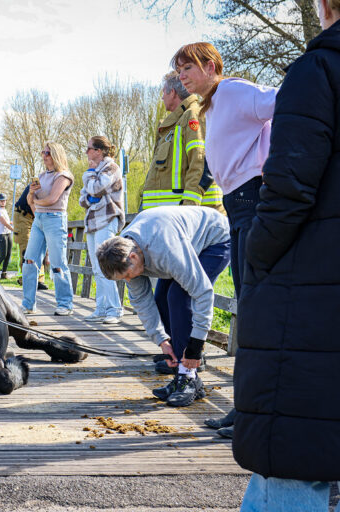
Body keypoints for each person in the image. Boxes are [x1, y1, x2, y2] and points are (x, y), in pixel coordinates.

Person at [234, 2, 340, 508]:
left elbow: (290, 184)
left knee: (294, 455)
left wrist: (257, 254)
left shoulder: (319, 68)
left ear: (323, 5)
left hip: (313, 284)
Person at [173, 41, 277, 437]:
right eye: (178, 69)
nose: (181, 75)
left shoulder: (234, 90)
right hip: (236, 206)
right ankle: (245, 406)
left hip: (254, 201)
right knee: (245, 309)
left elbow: (288, 104)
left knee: (254, 310)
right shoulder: (209, 106)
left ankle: (255, 411)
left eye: (188, 67)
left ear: (212, 65)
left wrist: (274, 160)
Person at [96, 206, 230, 407]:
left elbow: (203, 293)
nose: (129, 280)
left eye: (127, 275)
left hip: (215, 239)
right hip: (178, 241)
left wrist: (195, 345)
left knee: (178, 296)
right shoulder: (125, 254)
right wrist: (162, 340)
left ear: (133, 257)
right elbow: (143, 302)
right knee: (160, 300)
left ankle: (189, 379)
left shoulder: (165, 249)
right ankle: (181, 371)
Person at [141, 71, 223, 213]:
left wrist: (189, 208)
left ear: (172, 93)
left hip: (190, 217)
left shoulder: (193, 115)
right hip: (169, 217)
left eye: (163, 93)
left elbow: (200, 161)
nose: (162, 97)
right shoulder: (174, 124)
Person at [22, 141, 75, 316]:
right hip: (39, 219)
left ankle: (65, 304)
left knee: (58, 263)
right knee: (29, 260)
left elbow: (52, 199)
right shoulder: (42, 176)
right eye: (43, 152)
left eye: (47, 153)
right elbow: (30, 202)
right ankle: (28, 304)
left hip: (55, 218)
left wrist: (36, 201)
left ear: (55, 155)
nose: (44, 156)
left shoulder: (63, 176)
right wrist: (31, 192)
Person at [78, 135, 125, 324]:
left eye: (89, 148)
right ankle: (102, 307)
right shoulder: (95, 170)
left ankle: (115, 309)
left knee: (106, 265)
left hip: (107, 218)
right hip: (92, 221)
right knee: (97, 267)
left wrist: (88, 177)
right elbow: (83, 198)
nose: (87, 152)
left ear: (98, 151)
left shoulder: (111, 168)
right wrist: (89, 198)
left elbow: (96, 188)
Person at [13, 184, 49, 289]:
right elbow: (33, 205)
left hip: (35, 216)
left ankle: (39, 280)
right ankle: (25, 279)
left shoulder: (54, 184)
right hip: (23, 216)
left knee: (40, 246)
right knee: (27, 247)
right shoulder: (40, 184)